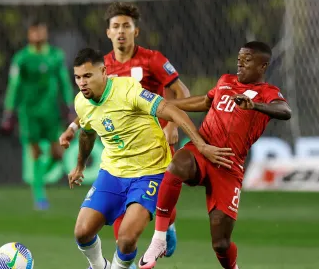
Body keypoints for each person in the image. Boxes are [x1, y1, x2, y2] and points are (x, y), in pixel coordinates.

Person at [70, 48, 234, 269]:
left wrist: (201, 145)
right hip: (113, 172)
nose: (82, 83)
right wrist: (80, 166)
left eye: (88, 76)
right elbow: (87, 133)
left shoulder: (128, 91)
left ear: (103, 71)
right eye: (78, 77)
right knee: (82, 232)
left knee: (126, 240)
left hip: (150, 172)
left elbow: (173, 111)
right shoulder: (81, 102)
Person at [139, 41, 292, 269]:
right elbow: (204, 101)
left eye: (247, 60)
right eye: (239, 59)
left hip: (229, 164)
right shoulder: (225, 81)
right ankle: (159, 239)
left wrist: (255, 106)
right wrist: (166, 103)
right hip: (203, 148)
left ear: (263, 66)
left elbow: (285, 111)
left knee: (220, 243)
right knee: (177, 164)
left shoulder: (267, 93)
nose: (240, 64)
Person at [59, 1, 189, 259]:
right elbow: (91, 106)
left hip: (156, 140)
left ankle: (166, 225)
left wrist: (173, 125)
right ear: (108, 32)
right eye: (115, 26)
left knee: (163, 201)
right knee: (123, 233)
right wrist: (73, 127)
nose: (121, 31)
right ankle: (123, 256)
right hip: (120, 153)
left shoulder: (153, 60)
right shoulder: (99, 65)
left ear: (135, 31)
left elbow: (181, 92)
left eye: (126, 26)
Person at [0, 19, 74, 210]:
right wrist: (9, 111)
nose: (39, 34)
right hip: (29, 112)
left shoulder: (56, 56)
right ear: (29, 34)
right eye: (35, 31)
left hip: (50, 112)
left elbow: (64, 82)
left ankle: (38, 182)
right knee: (36, 153)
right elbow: (14, 86)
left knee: (58, 154)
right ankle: (39, 195)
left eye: (42, 30)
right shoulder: (21, 58)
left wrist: (69, 105)